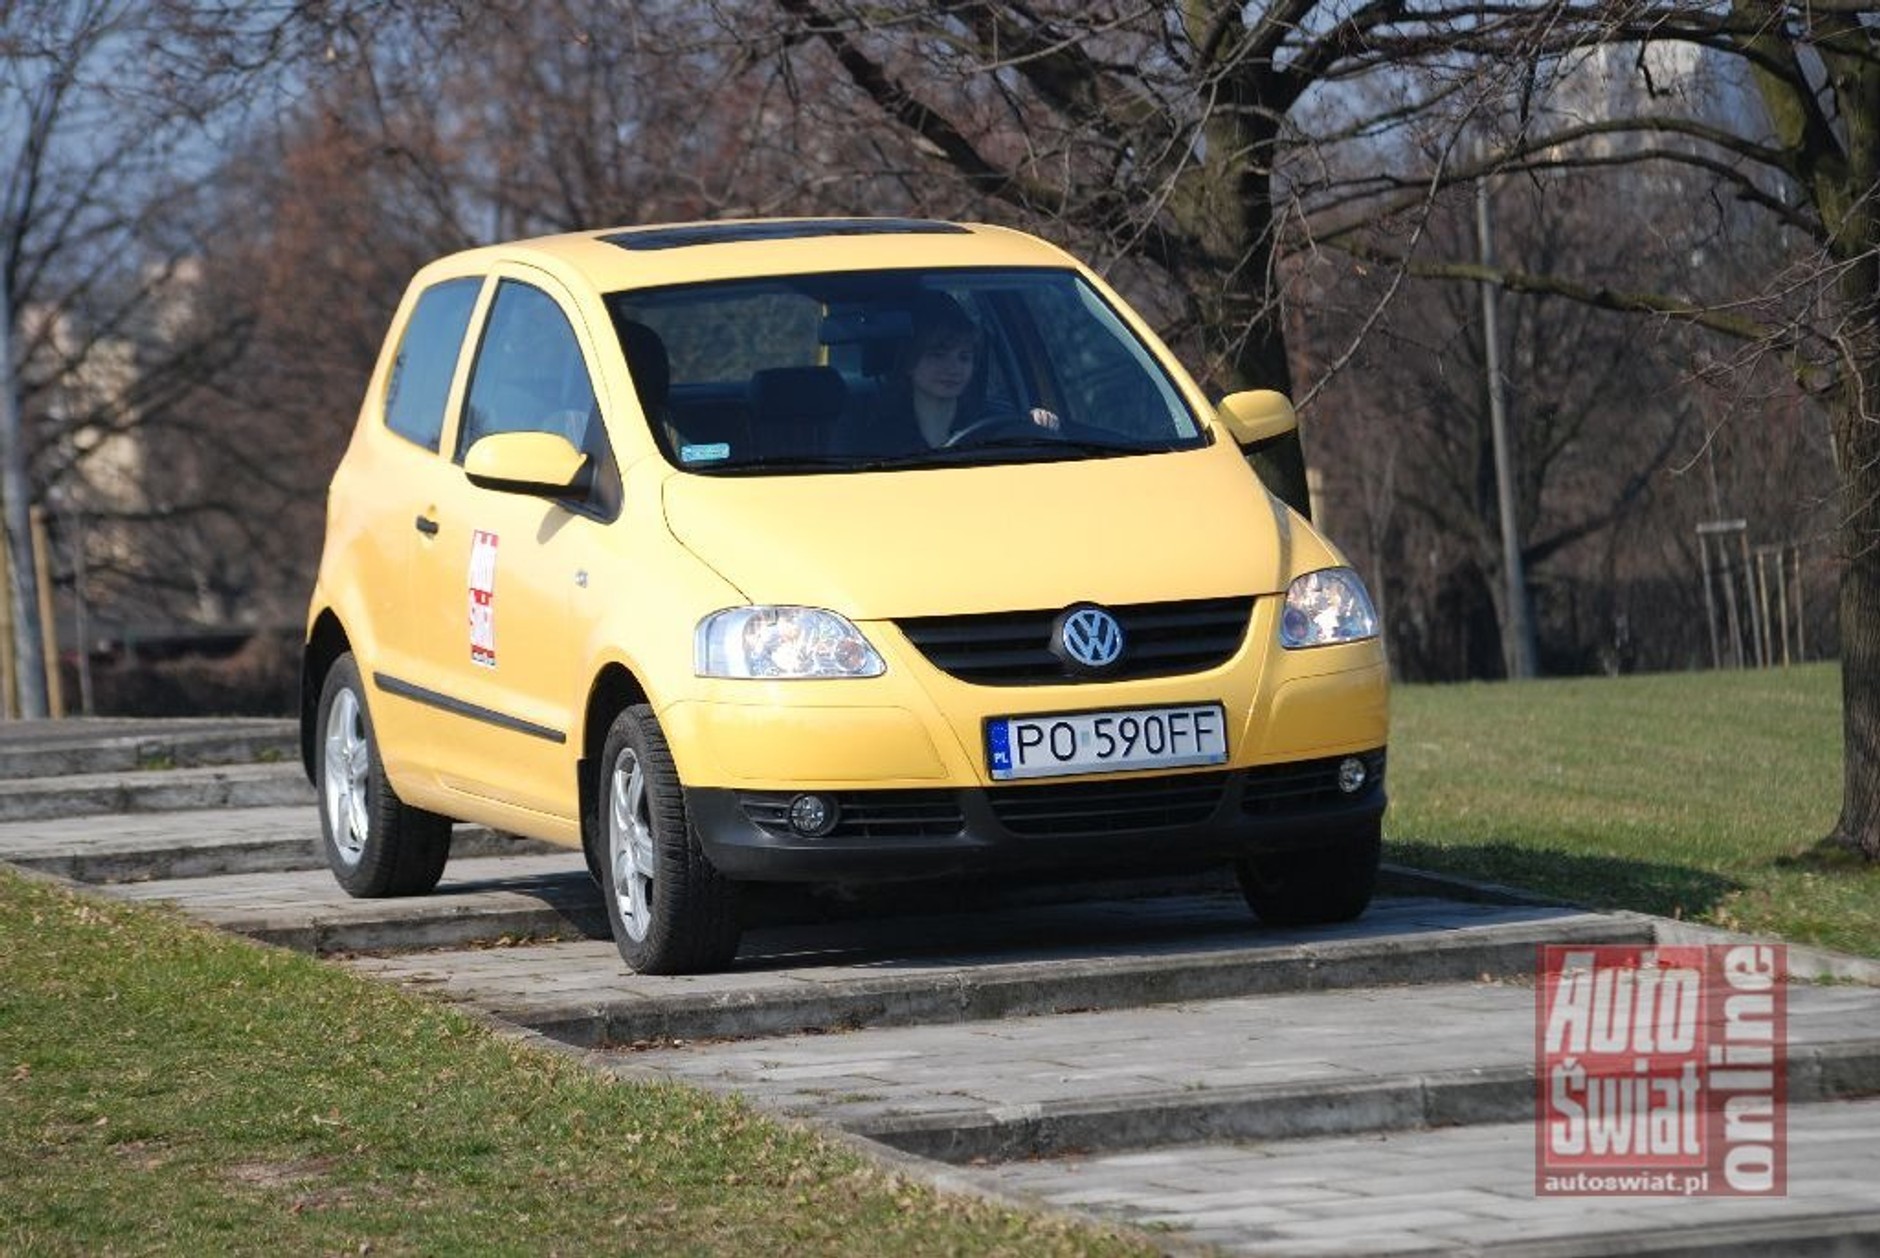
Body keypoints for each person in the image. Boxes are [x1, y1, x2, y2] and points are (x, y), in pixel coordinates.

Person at [868, 292, 1058, 451]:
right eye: (938, 355)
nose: (953, 368)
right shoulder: (879, 433)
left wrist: (1036, 424)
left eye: (964, 357)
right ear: (910, 362)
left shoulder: (993, 422)